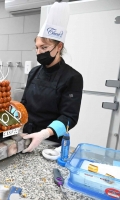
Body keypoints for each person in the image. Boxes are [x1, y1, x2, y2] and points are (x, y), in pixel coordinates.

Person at [20, 2, 83, 153]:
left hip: (50, 141)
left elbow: (70, 117)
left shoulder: (72, 77)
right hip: (26, 133)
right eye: (37, 47)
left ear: (59, 47)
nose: (39, 52)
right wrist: (14, 123)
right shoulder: (34, 72)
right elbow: (24, 104)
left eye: (44, 48)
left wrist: (44, 134)